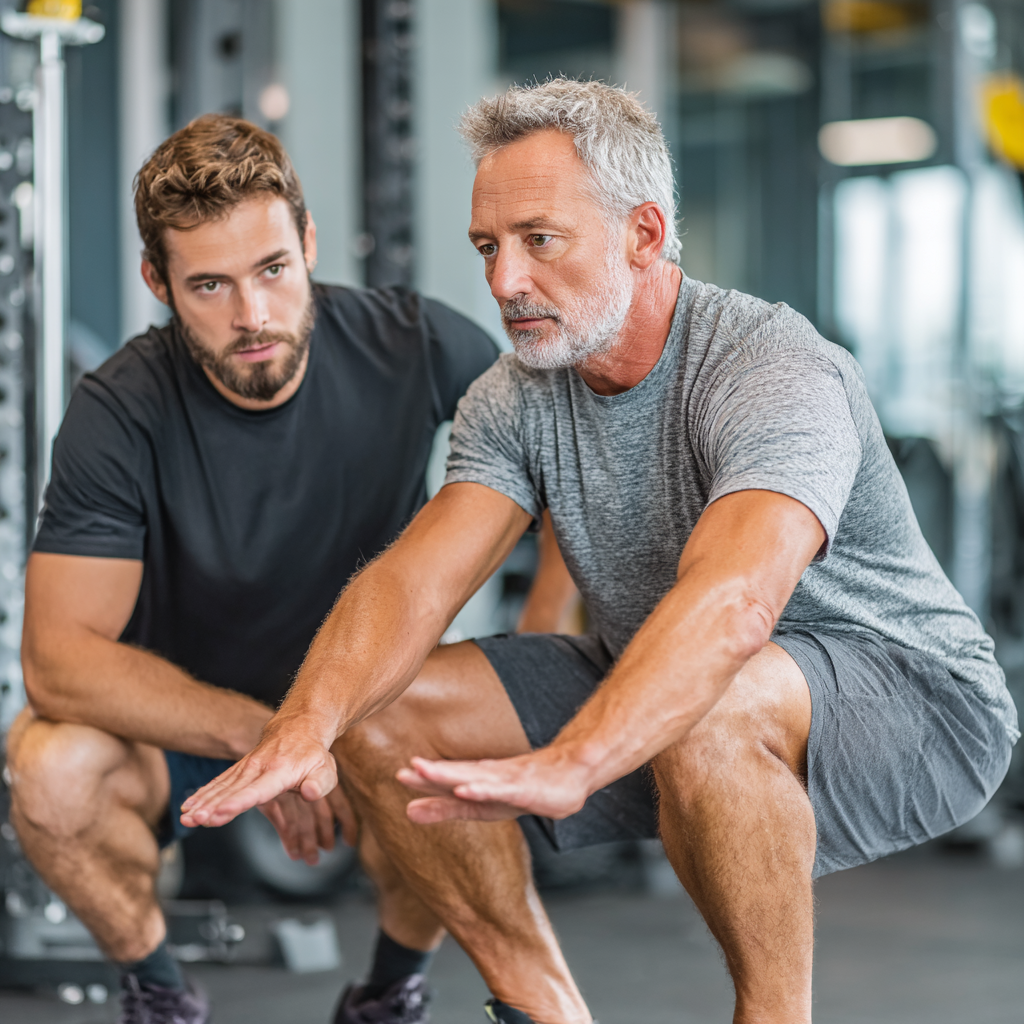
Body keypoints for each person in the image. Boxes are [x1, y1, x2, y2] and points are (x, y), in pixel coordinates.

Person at [181, 80, 1018, 1024]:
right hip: (663, 676)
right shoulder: (516, 394)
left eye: (541, 240)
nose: (503, 283)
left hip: (914, 700)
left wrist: (578, 758)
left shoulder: (771, 367)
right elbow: (419, 576)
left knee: (713, 698)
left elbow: (735, 603)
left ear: (645, 235)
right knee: (386, 716)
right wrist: (308, 721)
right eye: (488, 248)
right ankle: (545, 1009)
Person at [4, 114, 572, 1024]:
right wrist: (271, 740)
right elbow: (59, 660)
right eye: (209, 286)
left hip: (369, 713)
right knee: (48, 767)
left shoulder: (417, 344)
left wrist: (542, 655)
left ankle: (390, 990)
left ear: (307, 241)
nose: (253, 315)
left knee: (455, 752)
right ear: (159, 283)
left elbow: (569, 492)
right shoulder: (119, 409)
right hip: (192, 734)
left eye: (272, 269)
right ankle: (159, 992)